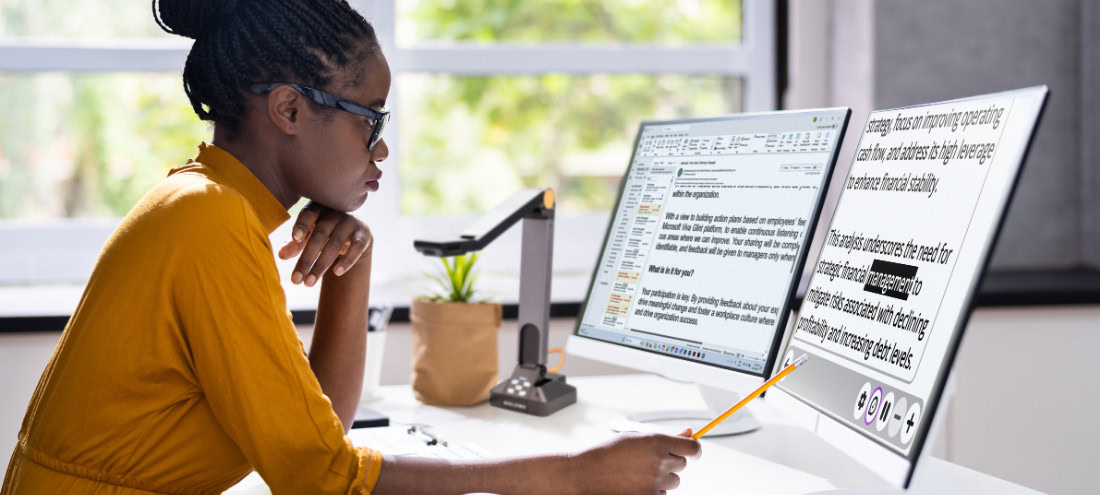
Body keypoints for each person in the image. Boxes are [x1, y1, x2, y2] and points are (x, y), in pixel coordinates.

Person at [1, 1, 701, 493]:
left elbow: (319, 434)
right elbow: (319, 479)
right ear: (289, 109)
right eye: (371, 120)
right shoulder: (206, 225)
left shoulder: (208, 206)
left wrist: (351, 267)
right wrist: (569, 476)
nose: (382, 147)